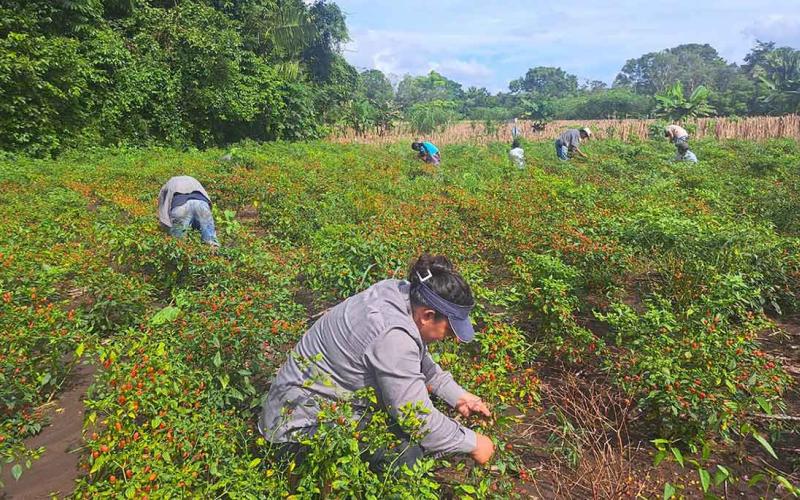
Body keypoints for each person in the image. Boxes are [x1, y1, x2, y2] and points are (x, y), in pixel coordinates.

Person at [259, 254, 495, 471]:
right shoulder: (393, 336)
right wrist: (474, 443)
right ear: (427, 316)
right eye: (450, 330)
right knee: (405, 454)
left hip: (306, 405)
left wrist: (460, 397)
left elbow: (421, 361)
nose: (452, 338)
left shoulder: (399, 293)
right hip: (296, 431)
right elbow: (418, 421)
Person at [157, 175, 220, 247]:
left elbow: (163, 208)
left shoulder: (170, 183)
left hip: (180, 206)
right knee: (210, 242)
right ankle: (215, 255)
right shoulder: (193, 180)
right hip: (202, 204)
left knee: (178, 245)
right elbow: (206, 198)